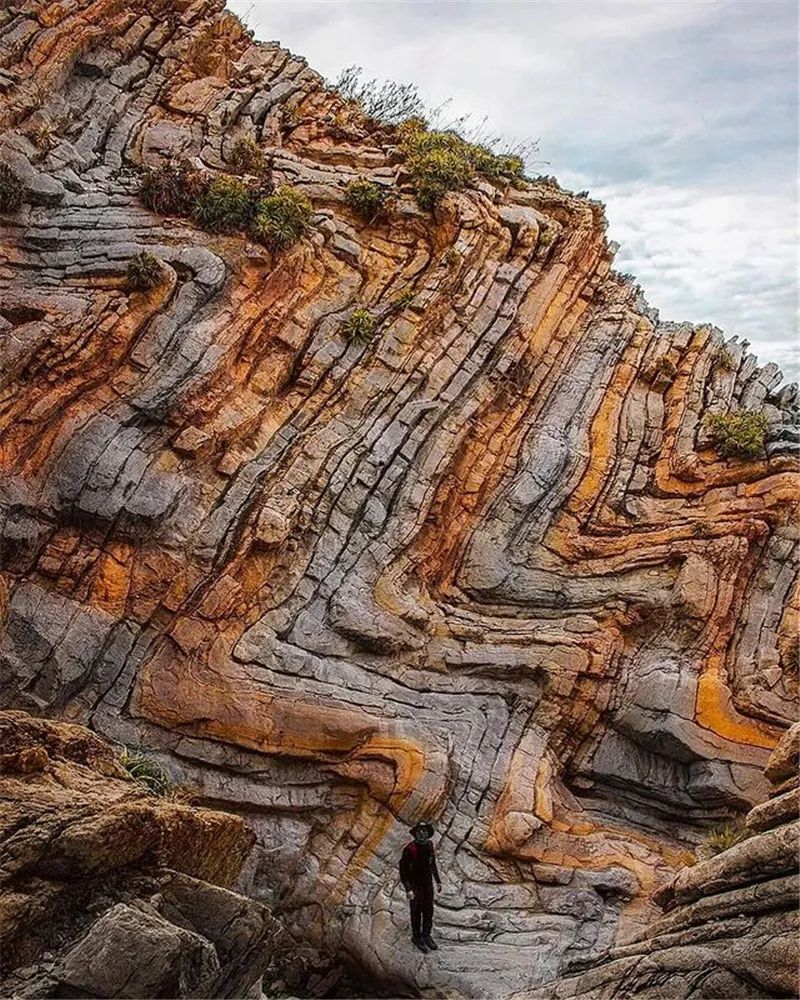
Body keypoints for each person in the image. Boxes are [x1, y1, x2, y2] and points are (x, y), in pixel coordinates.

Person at [399, 821, 442, 953]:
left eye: (424, 831)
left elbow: (432, 863)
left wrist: (438, 881)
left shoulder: (429, 845)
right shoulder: (410, 849)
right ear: (415, 833)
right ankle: (417, 937)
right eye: (419, 831)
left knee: (428, 910)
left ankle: (426, 935)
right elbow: (403, 871)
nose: (422, 833)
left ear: (428, 833)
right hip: (415, 885)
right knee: (416, 912)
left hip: (427, 884)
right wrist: (408, 889)